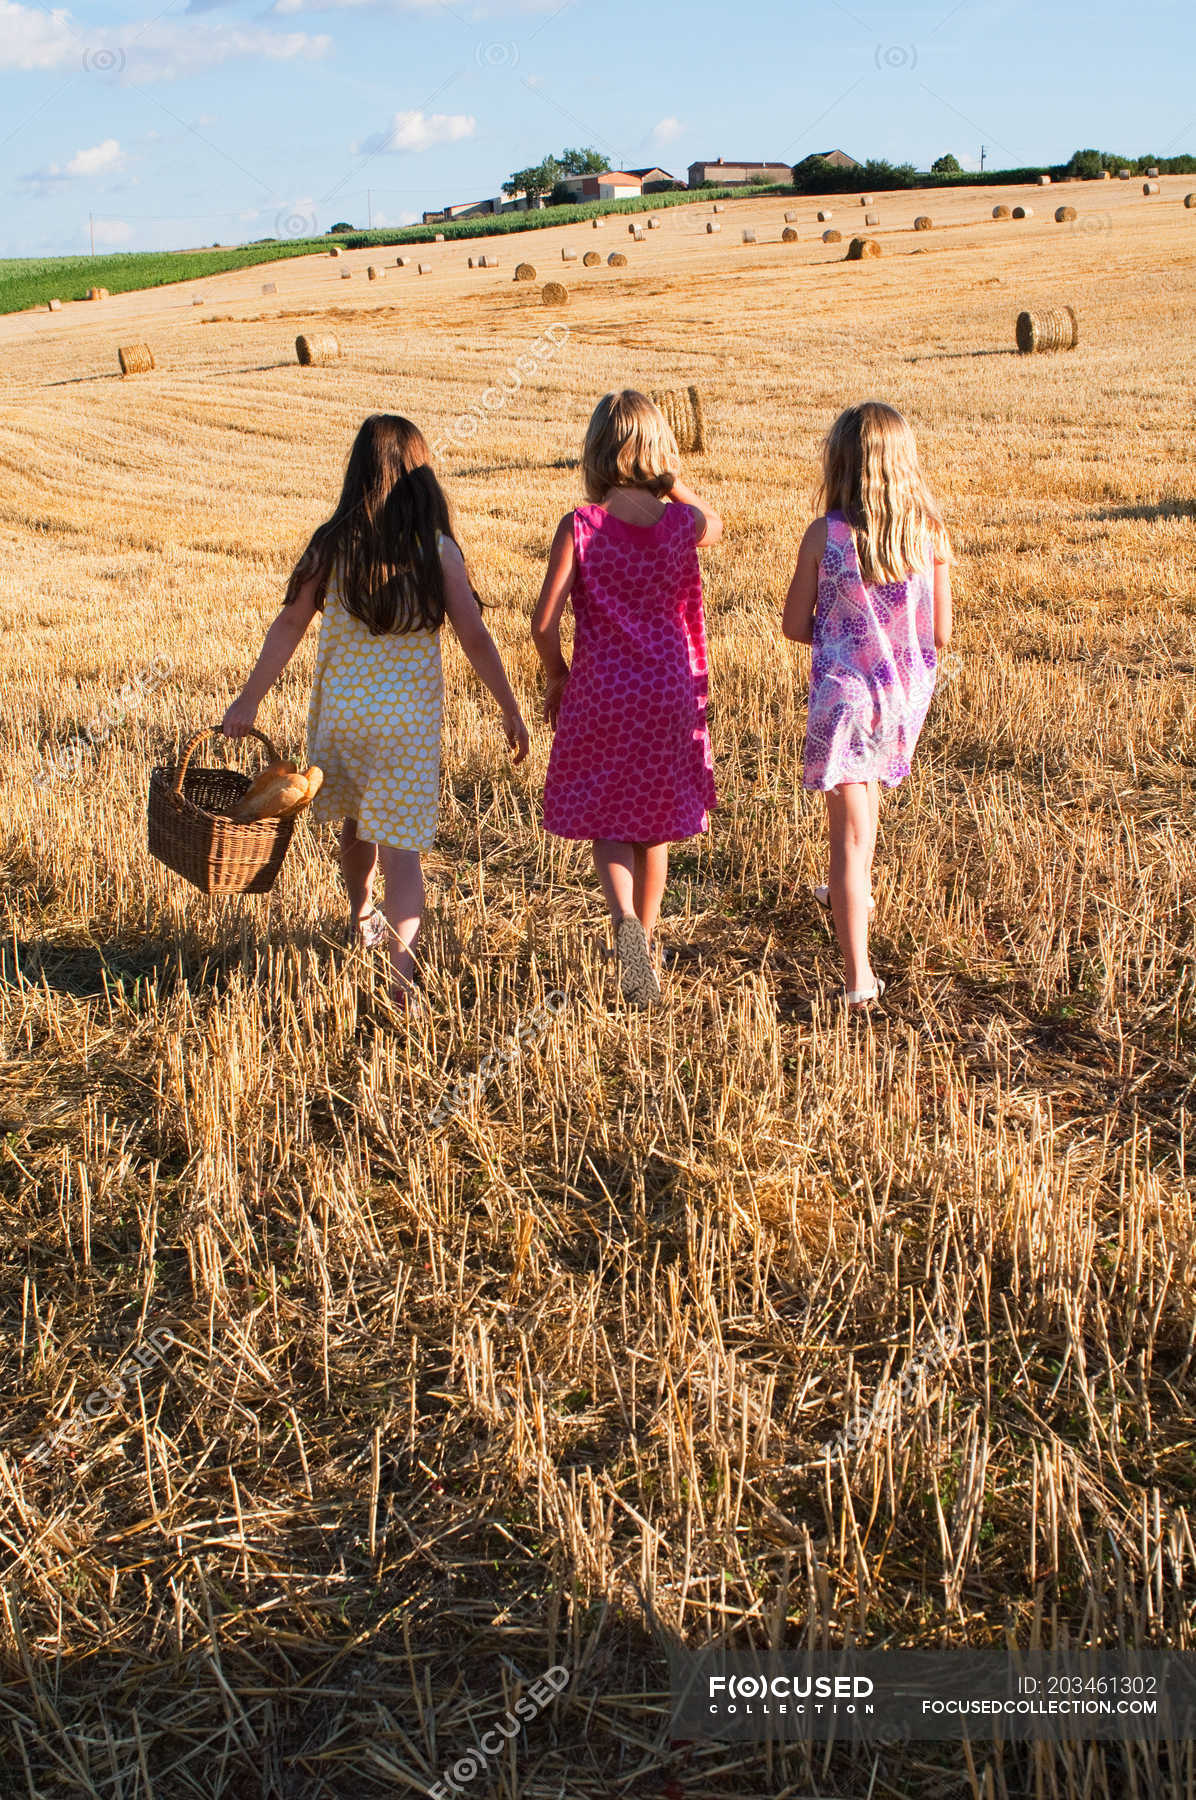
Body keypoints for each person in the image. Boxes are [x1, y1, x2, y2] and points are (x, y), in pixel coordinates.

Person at [222, 414, 529, 1004]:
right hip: (405, 730)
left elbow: (288, 624)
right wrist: (508, 705)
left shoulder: (332, 545)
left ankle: (360, 913)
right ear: (422, 478)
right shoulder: (437, 551)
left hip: (343, 720)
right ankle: (403, 975)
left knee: (355, 826)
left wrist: (249, 698)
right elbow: (475, 636)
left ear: (357, 475)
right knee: (403, 855)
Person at [531, 390, 722, 1006]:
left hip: (603, 691)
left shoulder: (580, 526)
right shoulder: (678, 524)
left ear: (595, 452)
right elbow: (716, 523)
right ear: (660, 450)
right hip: (668, 691)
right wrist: (675, 482)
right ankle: (651, 938)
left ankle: (623, 927)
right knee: (655, 824)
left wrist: (557, 675)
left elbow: (543, 622)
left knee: (607, 818)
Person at [782, 400, 953, 1010]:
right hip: (902, 700)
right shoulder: (929, 531)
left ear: (842, 463)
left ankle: (858, 980)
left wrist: (841, 631)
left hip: (845, 701)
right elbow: (940, 634)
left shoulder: (826, 534)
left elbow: (794, 625)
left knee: (848, 842)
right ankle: (845, 893)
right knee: (866, 812)